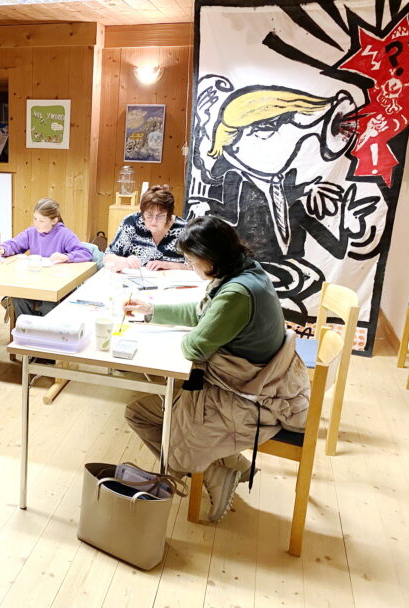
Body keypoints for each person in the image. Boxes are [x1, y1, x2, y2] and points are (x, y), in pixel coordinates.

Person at [122, 215, 310, 522]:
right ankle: (225, 464)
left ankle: (214, 471)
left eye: (191, 261)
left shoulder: (236, 294)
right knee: (157, 405)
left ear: (210, 259)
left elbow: (194, 347)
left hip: (247, 400)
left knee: (145, 420)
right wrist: (151, 310)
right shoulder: (247, 270)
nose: (191, 266)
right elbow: (204, 315)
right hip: (254, 385)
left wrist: (195, 334)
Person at [0, 197, 93, 320]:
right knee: (18, 299)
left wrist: (66, 257)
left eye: (41, 221)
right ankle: (25, 329)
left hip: (57, 286)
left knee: (49, 304)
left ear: (54, 221)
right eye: (35, 219)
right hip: (35, 283)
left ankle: (47, 330)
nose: (36, 223)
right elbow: (14, 244)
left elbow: (85, 253)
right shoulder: (31, 232)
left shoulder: (64, 234)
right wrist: (3, 249)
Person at [104, 185, 190, 272]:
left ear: (169, 215)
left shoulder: (184, 229)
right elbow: (107, 257)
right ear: (142, 213)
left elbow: (194, 265)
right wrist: (125, 261)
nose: (153, 221)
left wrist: (167, 265)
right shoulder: (131, 223)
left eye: (160, 216)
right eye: (149, 215)